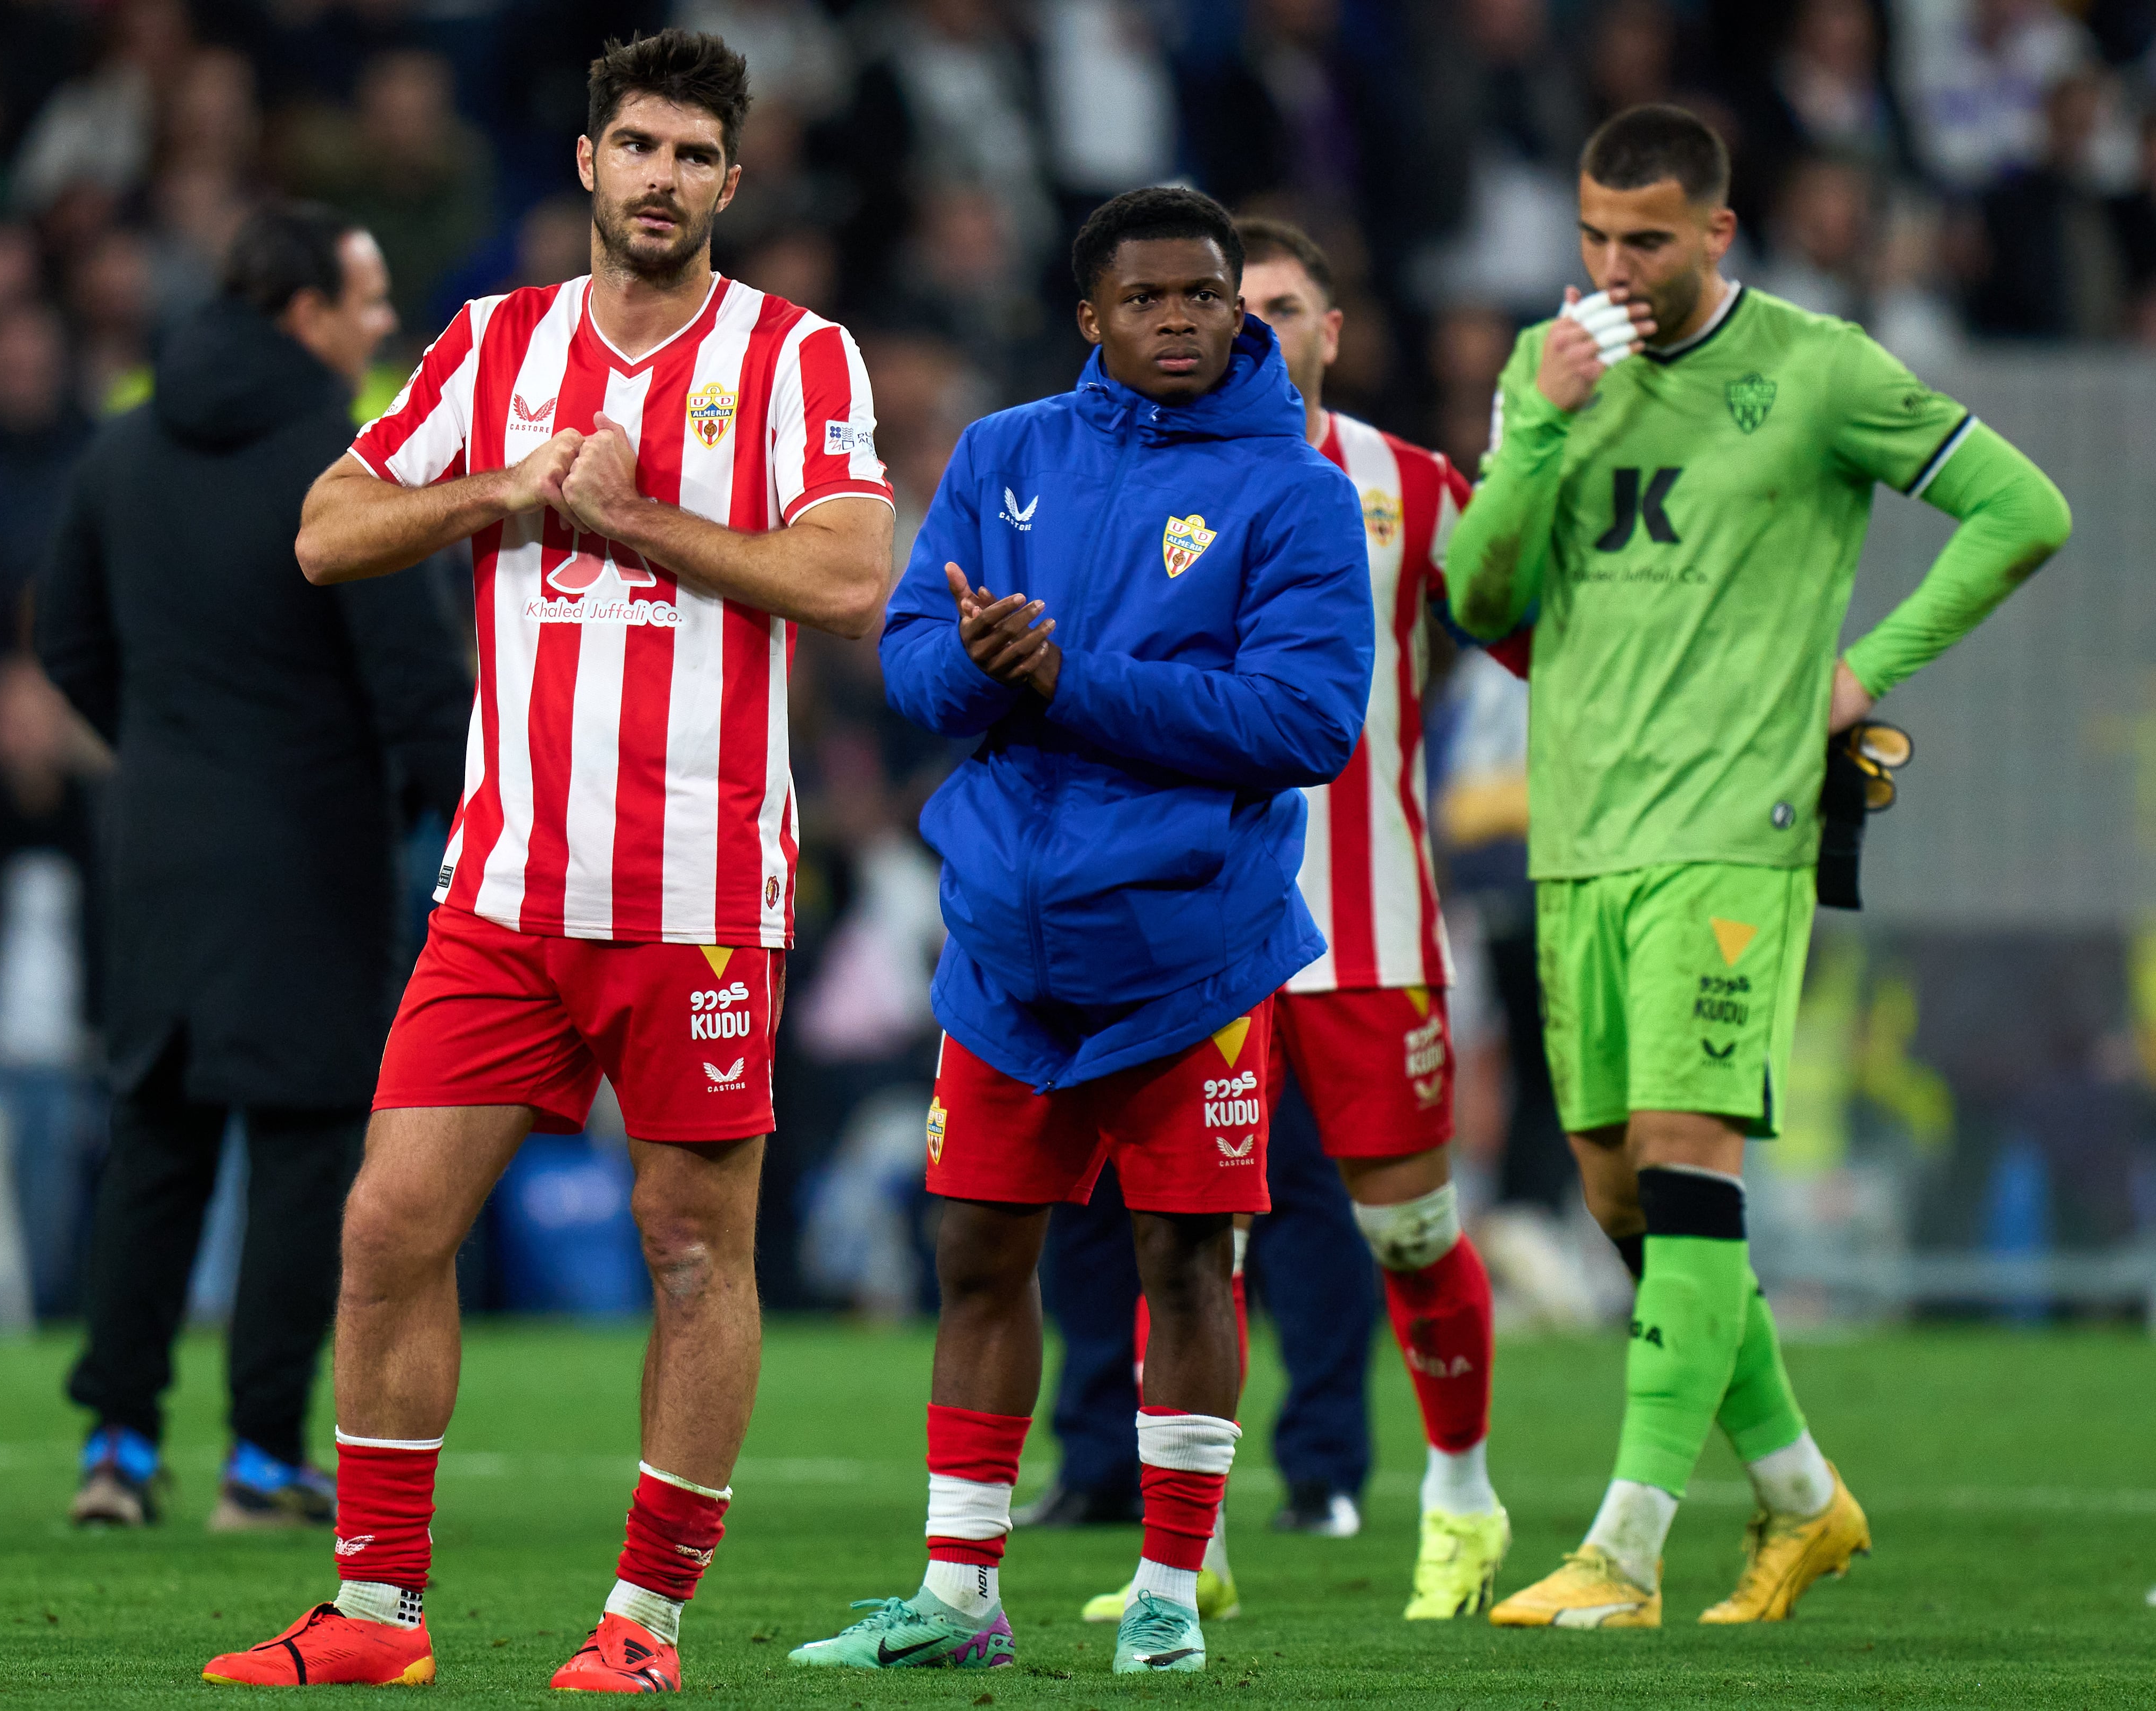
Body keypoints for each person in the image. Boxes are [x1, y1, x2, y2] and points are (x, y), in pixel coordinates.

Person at [201, 30, 895, 1693]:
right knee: (386, 1227)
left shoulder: (797, 358)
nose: (661, 178)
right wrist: (504, 489)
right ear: (585, 163)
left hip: (702, 900)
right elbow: (324, 527)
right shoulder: (494, 346)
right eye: (635, 146)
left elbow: (853, 569)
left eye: (693, 155)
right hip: (505, 889)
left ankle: (644, 1622)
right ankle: (375, 1613)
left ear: (733, 181)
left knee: (688, 1249)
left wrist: (634, 520)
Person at [1442, 104, 2071, 1628]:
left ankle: (1626, 1548)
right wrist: (1539, 424)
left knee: (1682, 1155)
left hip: (1738, 824)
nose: (1612, 266)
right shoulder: (1552, 369)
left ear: (1715, 233)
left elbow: (2023, 510)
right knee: (1619, 1194)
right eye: (1593, 236)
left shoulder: (1817, 369)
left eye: (1643, 240)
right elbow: (1478, 593)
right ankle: (1800, 1495)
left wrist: (1868, 666)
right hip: (1580, 830)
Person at [788, 186, 1372, 1678]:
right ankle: (959, 1590)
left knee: (1185, 1260)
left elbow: (1308, 720)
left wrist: (1067, 684)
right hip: (1003, 943)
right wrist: (982, 669)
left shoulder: (1293, 489)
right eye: (1147, 300)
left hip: (1193, 948)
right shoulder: (1004, 455)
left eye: (1204, 296)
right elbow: (912, 663)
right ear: (1088, 318)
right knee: (980, 1250)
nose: (1179, 320)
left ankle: (1171, 1591)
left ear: (1240, 307)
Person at [1079, 216, 1520, 1626]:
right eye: (1230, 301)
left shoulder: (1411, 486)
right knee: (1186, 1240)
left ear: (1332, 326)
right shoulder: (1147, 474)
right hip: (1200, 930)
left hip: (1372, 929)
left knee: (1407, 1235)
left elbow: (1543, 637)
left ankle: (1461, 1489)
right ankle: (1182, 1551)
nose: (1250, 323)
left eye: (1278, 302)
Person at [35, 201, 468, 1532]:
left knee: (154, 1143)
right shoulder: (340, 466)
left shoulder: (118, 450)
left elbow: (65, 643)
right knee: (299, 1152)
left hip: (158, 848)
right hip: (310, 852)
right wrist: (401, 807)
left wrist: (167, 757)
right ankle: (264, 1460)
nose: (383, 321)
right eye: (368, 296)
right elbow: (419, 687)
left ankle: (115, 1443)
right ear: (303, 313)